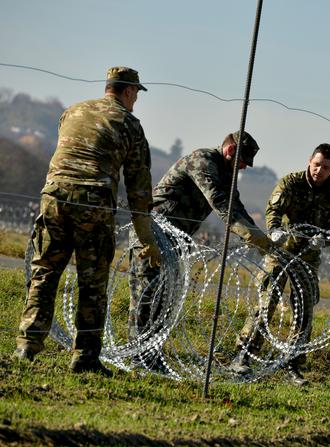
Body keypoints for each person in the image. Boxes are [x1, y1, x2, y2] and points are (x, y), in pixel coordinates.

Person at [13, 66, 161, 377]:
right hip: (93, 200)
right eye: (136, 94)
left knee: (45, 271)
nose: (136, 100)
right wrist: (146, 237)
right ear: (129, 91)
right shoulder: (129, 124)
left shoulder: (72, 112)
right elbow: (139, 190)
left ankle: (27, 345)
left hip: (52, 196)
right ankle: (85, 357)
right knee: (92, 283)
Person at [127, 131, 273, 365]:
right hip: (153, 234)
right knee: (147, 295)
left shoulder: (227, 175)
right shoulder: (203, 161)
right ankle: (138, 358)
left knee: (164, 300)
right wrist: (252, 236)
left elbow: (237, 207)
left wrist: (261, 239)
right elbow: (220, 203)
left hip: (174, 239)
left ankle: (151, 356)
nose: (244, 167)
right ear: (231, 151)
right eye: (244, 160)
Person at [233, 143, 330, 386]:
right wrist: (274, 230)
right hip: (280, 252)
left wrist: (323, 240)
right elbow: (273, 209)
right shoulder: (291, 183)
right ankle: (244, 354)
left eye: (325, 167)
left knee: (303, 311)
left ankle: (292, 364)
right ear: (309, 161)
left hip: (308, 259)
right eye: (316, 165)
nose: (319, 171)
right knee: (267, 302)